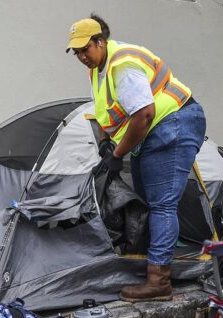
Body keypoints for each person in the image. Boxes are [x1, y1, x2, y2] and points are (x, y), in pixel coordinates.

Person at [66, 14, 206, 302]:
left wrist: (118, 154)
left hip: (174, 123)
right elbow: (107, 112)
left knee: (162, 203)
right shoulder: (98, 69)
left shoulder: (123, 65)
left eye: (85, 49)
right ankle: (159, 256)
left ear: (100, 42)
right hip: (155, 130)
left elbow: (144, 113)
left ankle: (159, 281)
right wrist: (106, 143)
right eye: (76, 52)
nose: (81, 56)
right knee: (148, 195)